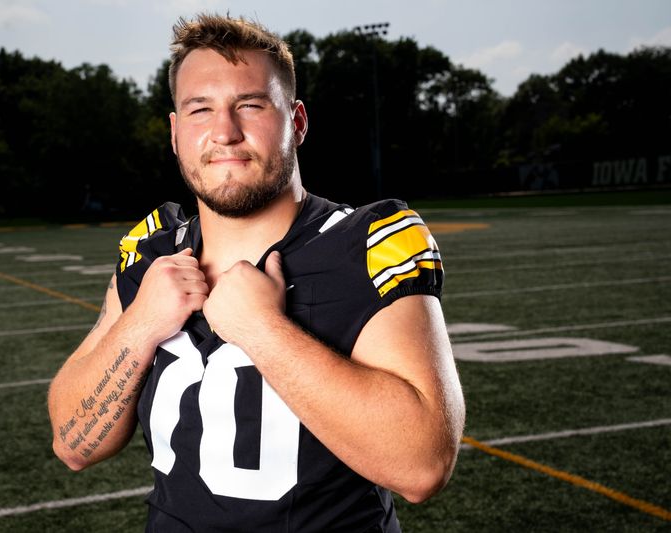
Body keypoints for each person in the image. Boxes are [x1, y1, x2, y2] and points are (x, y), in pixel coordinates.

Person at [48, 13, 465, 532]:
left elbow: (421, 466)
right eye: (200, 109)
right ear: (175, 133)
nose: (225, 132)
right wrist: (141, 325)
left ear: (297, 121)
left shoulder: (366, 242)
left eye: (250, 104)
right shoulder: (151, 249)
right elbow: (72, 443)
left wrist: (261, 329)